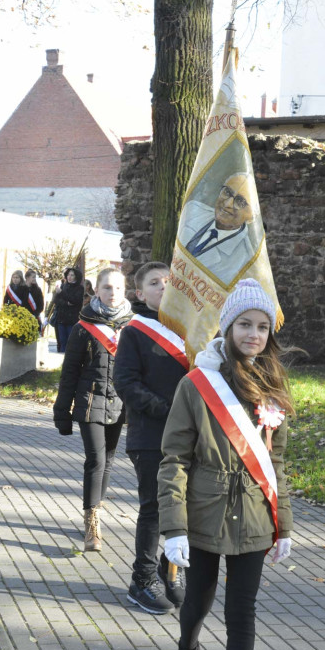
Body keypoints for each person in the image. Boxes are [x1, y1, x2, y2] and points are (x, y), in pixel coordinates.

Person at [157, 278, 294, 650]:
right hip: (203, 515)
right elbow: (174, 459)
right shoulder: (198, 384)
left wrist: (284, 524)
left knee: (242, 617)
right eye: (245, 325)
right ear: (228, 326)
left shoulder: (273, 386)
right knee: (197, 601)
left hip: (254, 519)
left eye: (262, 327)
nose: (253, 334)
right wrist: (173, 528)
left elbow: (275, 463)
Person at [114, 261, 189, 615]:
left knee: (188, 507)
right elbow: (126, 383)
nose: (164, 287)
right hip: (150, 435)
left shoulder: (190, 329)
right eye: (155, 283)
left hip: (188, 436)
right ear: (140, 294)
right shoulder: (134, 332)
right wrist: (168, 410)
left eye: (169, 282)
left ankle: (169, 568)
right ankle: (141, 581)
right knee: (154, 509)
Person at [53, 268, 132, 551]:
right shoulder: (82, 327)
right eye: (107, 288)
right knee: (96, 460)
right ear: (96, 290)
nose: (113, 293)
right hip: (90, 402)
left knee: (108, 460)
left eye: (118, 288)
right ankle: (91, 524)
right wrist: (62, 411)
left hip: (119, 403)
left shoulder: (134, 327)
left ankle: (96, 508)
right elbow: (70, 372)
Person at [179, 173, 258, 285]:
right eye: (227, 192)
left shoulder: (245, 261)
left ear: (252, 216)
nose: (227, 204)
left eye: (240, 202)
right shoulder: (192, 210)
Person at [52, 267, 84, 353]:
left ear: (76, 277)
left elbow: (75, 300)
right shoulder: (63, 286)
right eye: (68, 275)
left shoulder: (79, 288)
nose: (69, 277)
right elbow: (56, 300)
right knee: (62, 341)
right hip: (61, 318)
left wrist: (62, 293)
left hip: (72, 319)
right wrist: (66, 303)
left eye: (72, 275)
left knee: (70, 342)